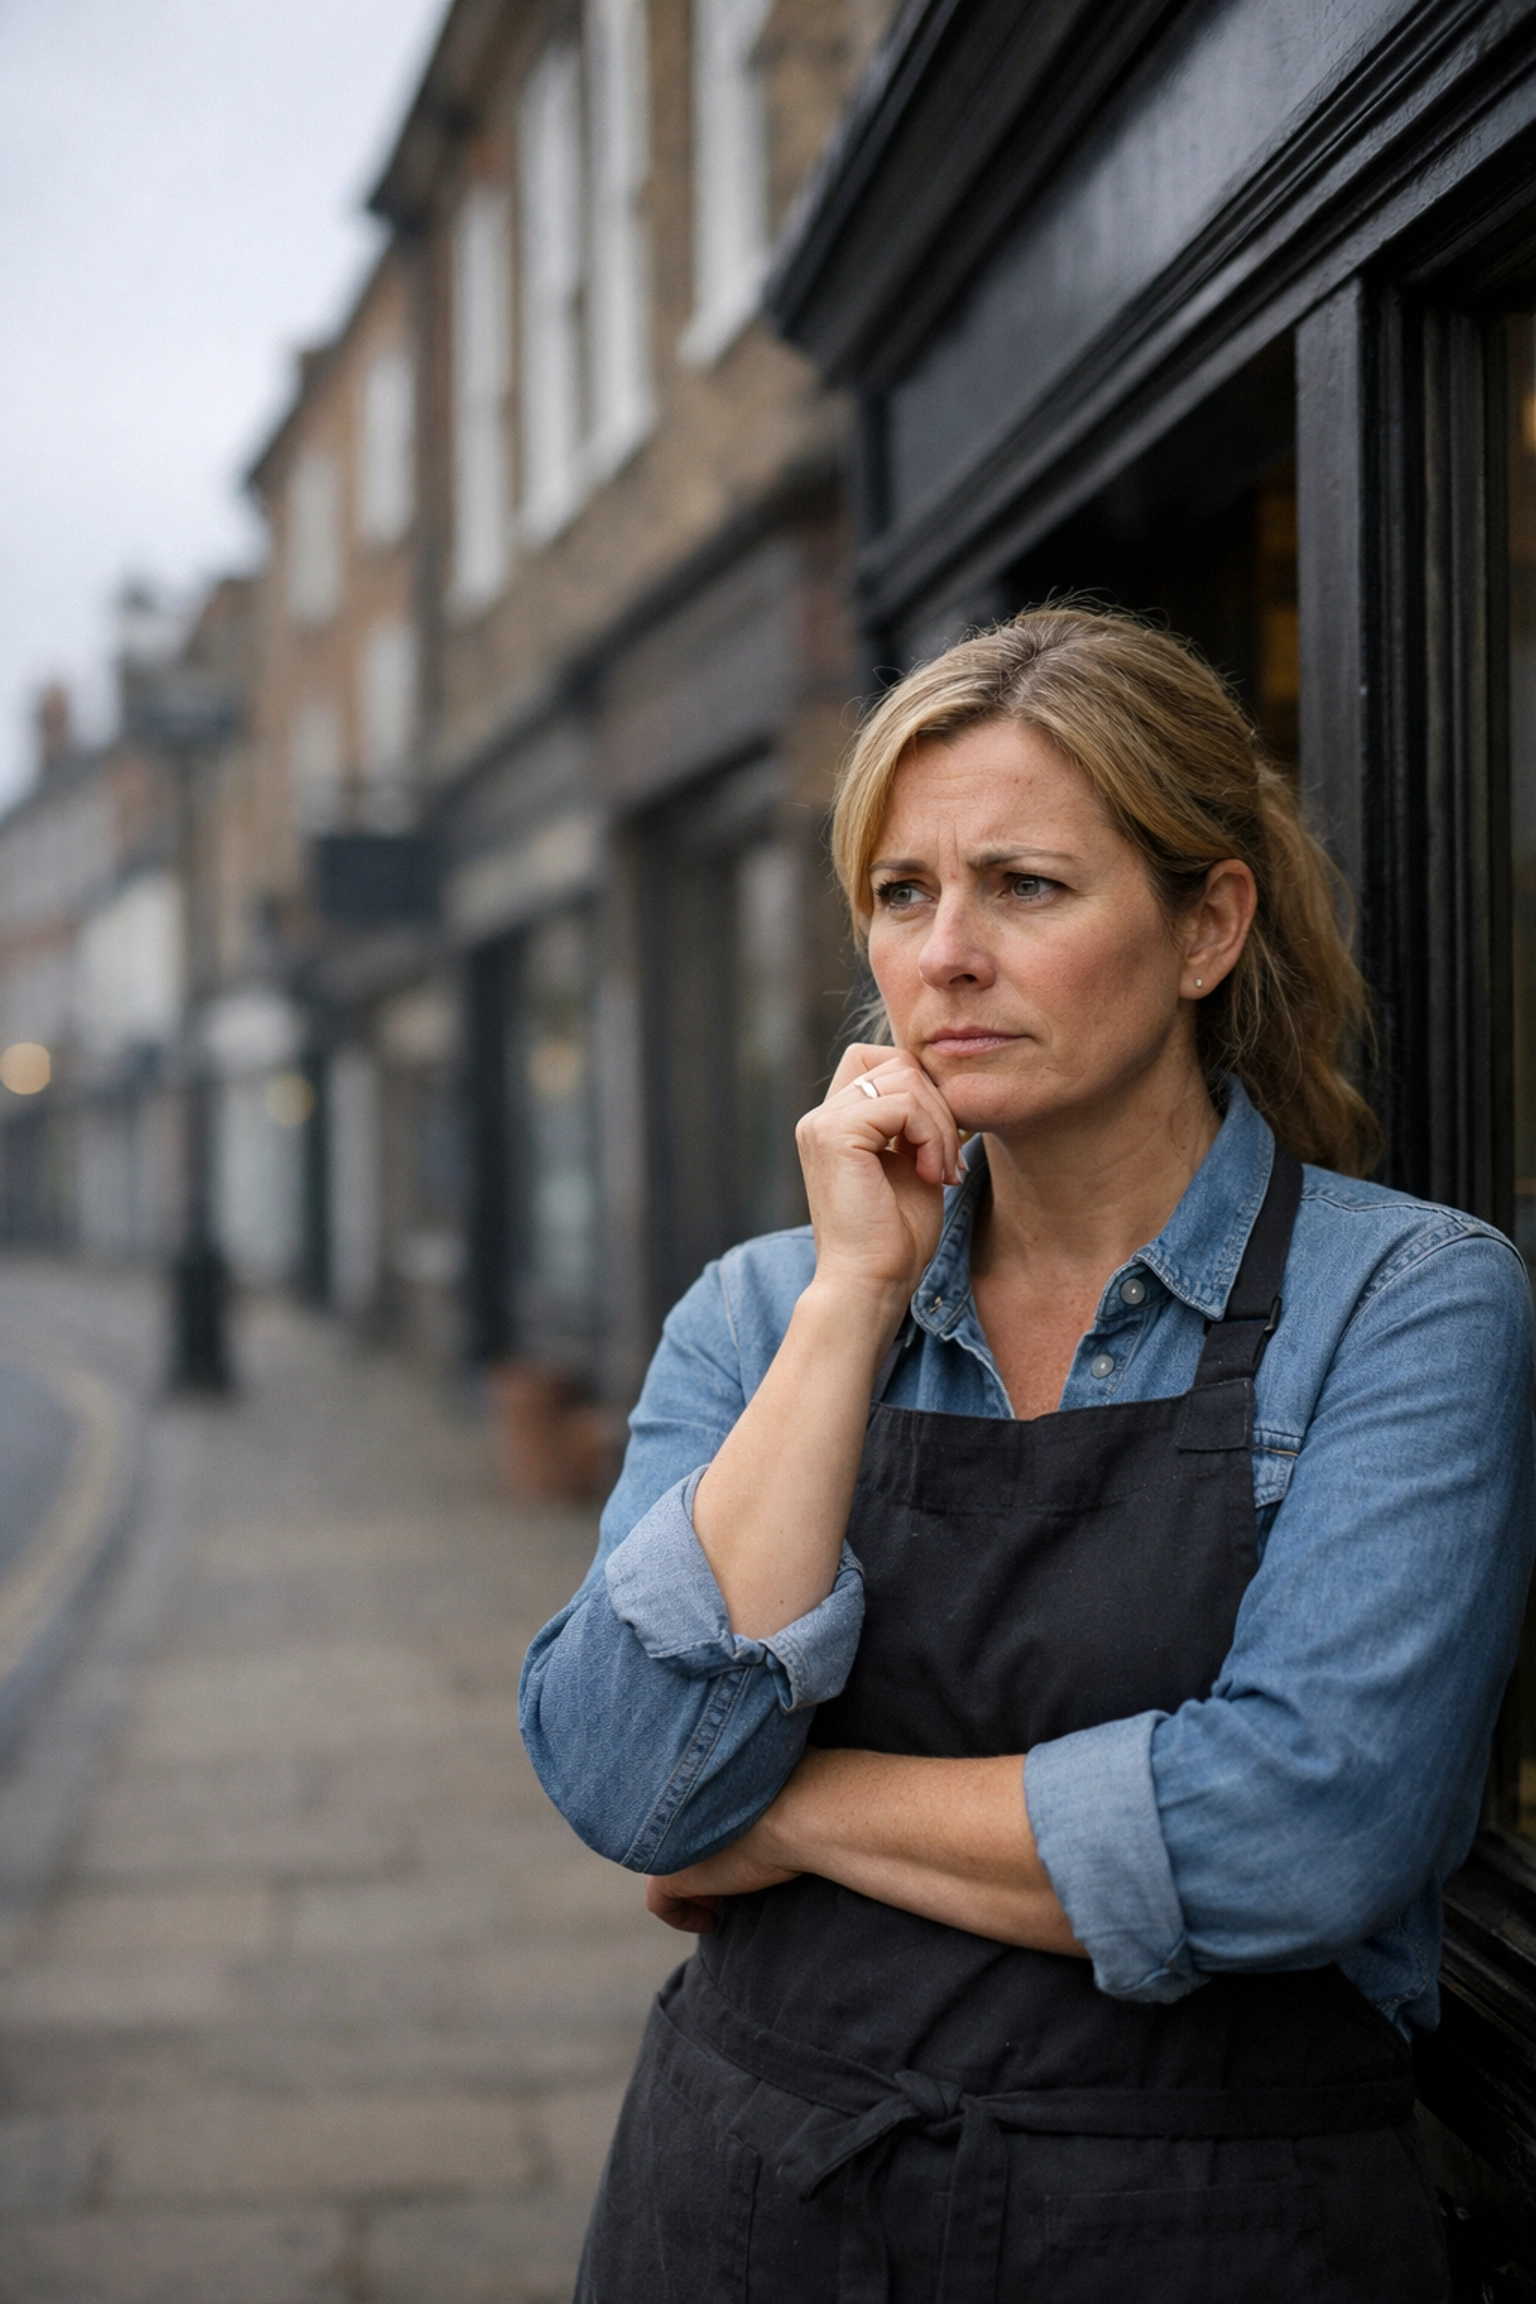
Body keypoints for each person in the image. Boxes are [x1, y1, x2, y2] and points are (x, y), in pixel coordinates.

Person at [521, 607, 1535, 2302]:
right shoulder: (762, 1309)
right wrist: (857, 1293)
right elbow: (627, 1778)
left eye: (1027, 886)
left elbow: (1302, 1830)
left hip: (1208, 2231)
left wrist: (783, 1813)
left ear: (1209, 925)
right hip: (750, 2200)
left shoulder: (1407, 1301)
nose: (944, 957)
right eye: (904, 894)